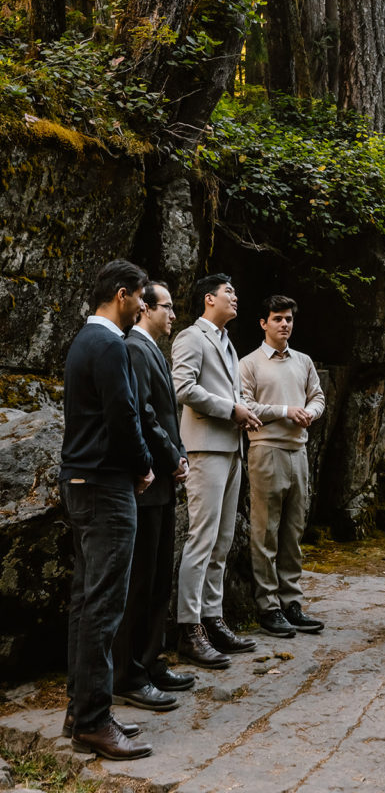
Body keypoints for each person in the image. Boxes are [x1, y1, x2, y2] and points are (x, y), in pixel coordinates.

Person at [60, 259, 154, 760]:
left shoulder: (83, 340)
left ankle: (81, 710)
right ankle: (93, 721)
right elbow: (123, 414)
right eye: (140, 296)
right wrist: (142, 465)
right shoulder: (111, 344)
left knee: (85, 599)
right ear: (122, 294)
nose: (143, 305)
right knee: (104, 603)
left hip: (80, 480)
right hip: (104, 483)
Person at [112, 281, 193, 711]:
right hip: (145, 485)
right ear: (146, 310)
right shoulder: (134, 350)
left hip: (162, 484)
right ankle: (128, 673)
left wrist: (177, 455)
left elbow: (164, 413)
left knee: (159, 577)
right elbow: (142, 413)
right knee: (140, 582)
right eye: (168, 308)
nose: (173, 315)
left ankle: (150, 659)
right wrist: (171, 456)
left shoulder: (153, 352)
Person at [172, 273, 260, 667]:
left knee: (222, 541)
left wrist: (245, 409)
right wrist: (231, 409)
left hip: (232, 447)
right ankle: (188, 629)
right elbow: (183, 387)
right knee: (201, 539)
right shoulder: (192, 337)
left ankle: (213, 618)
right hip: (204, 448)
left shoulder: (227, 342)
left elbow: (233, 394)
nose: (236, 296)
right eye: (230, 291)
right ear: (209, 299)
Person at [239, 295, 326, 637]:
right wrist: (286, 410)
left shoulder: (303, 361)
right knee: (265, 530)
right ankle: (268, 606)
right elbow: (244, 404)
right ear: (263, 323)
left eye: (288, 318)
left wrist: (311, 413)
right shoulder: (249, 363)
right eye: (277, 319)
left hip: (298, 452)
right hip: (266, 450)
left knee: (293, 530)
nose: (285, 324)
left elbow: (317, 396)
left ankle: (292, 601)